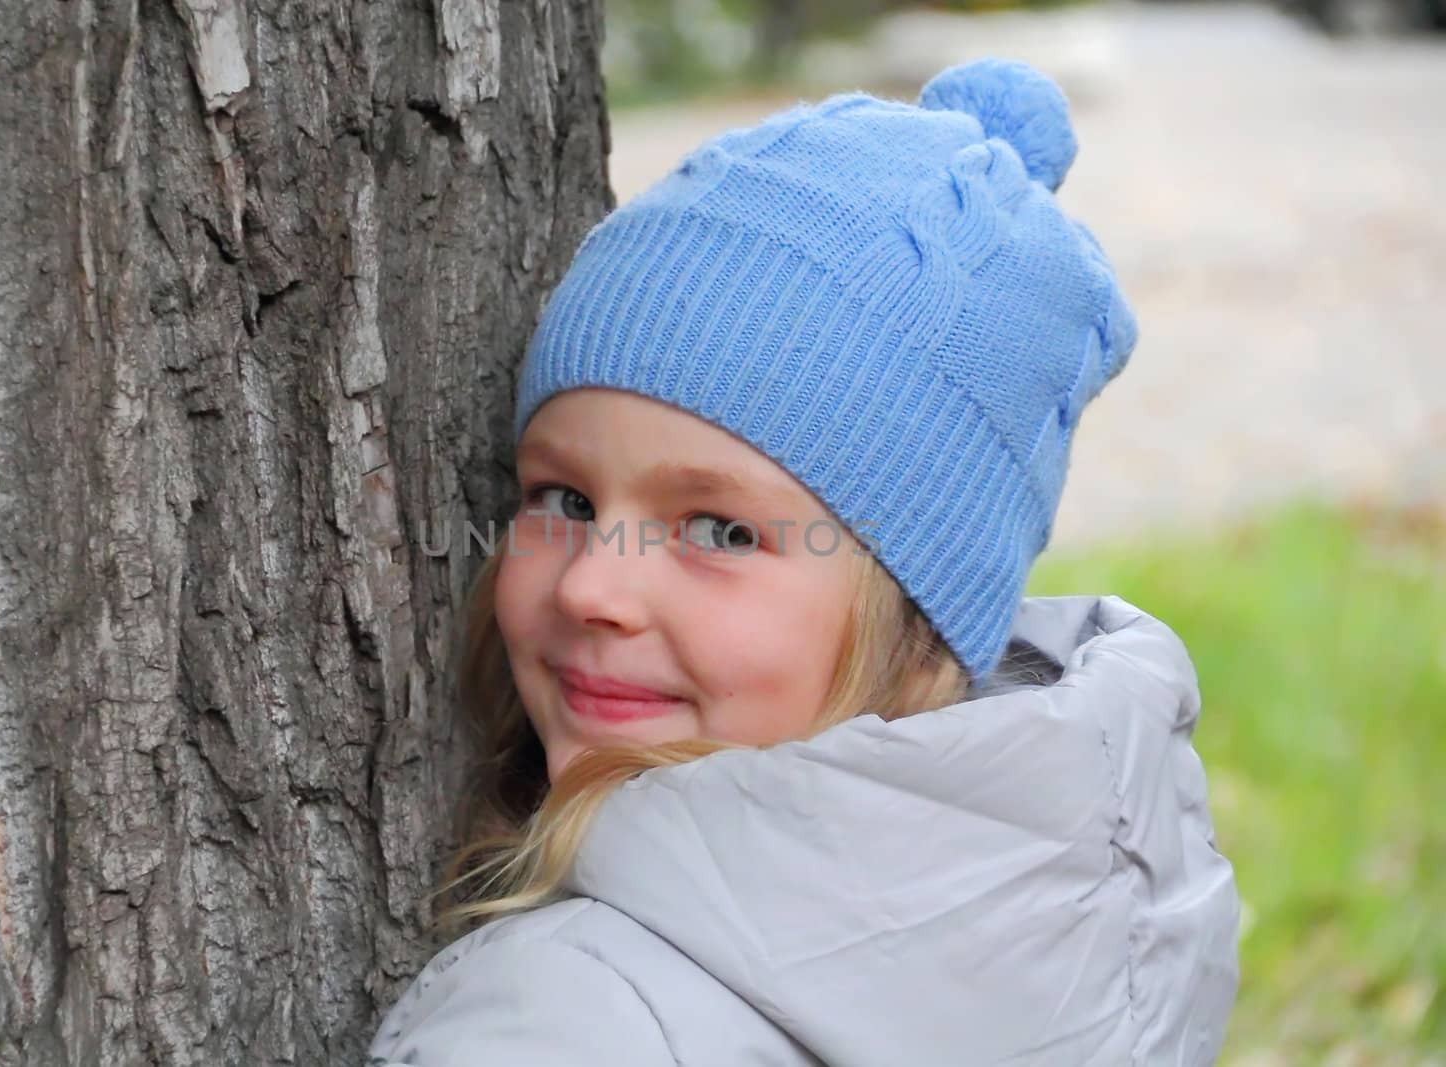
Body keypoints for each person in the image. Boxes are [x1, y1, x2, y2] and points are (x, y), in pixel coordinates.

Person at [366, 57, 1241, 1066]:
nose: (590, 586)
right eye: (563, 499)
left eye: (720, 530)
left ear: (922, 634)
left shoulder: (564, 1017)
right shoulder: (1087, 913)